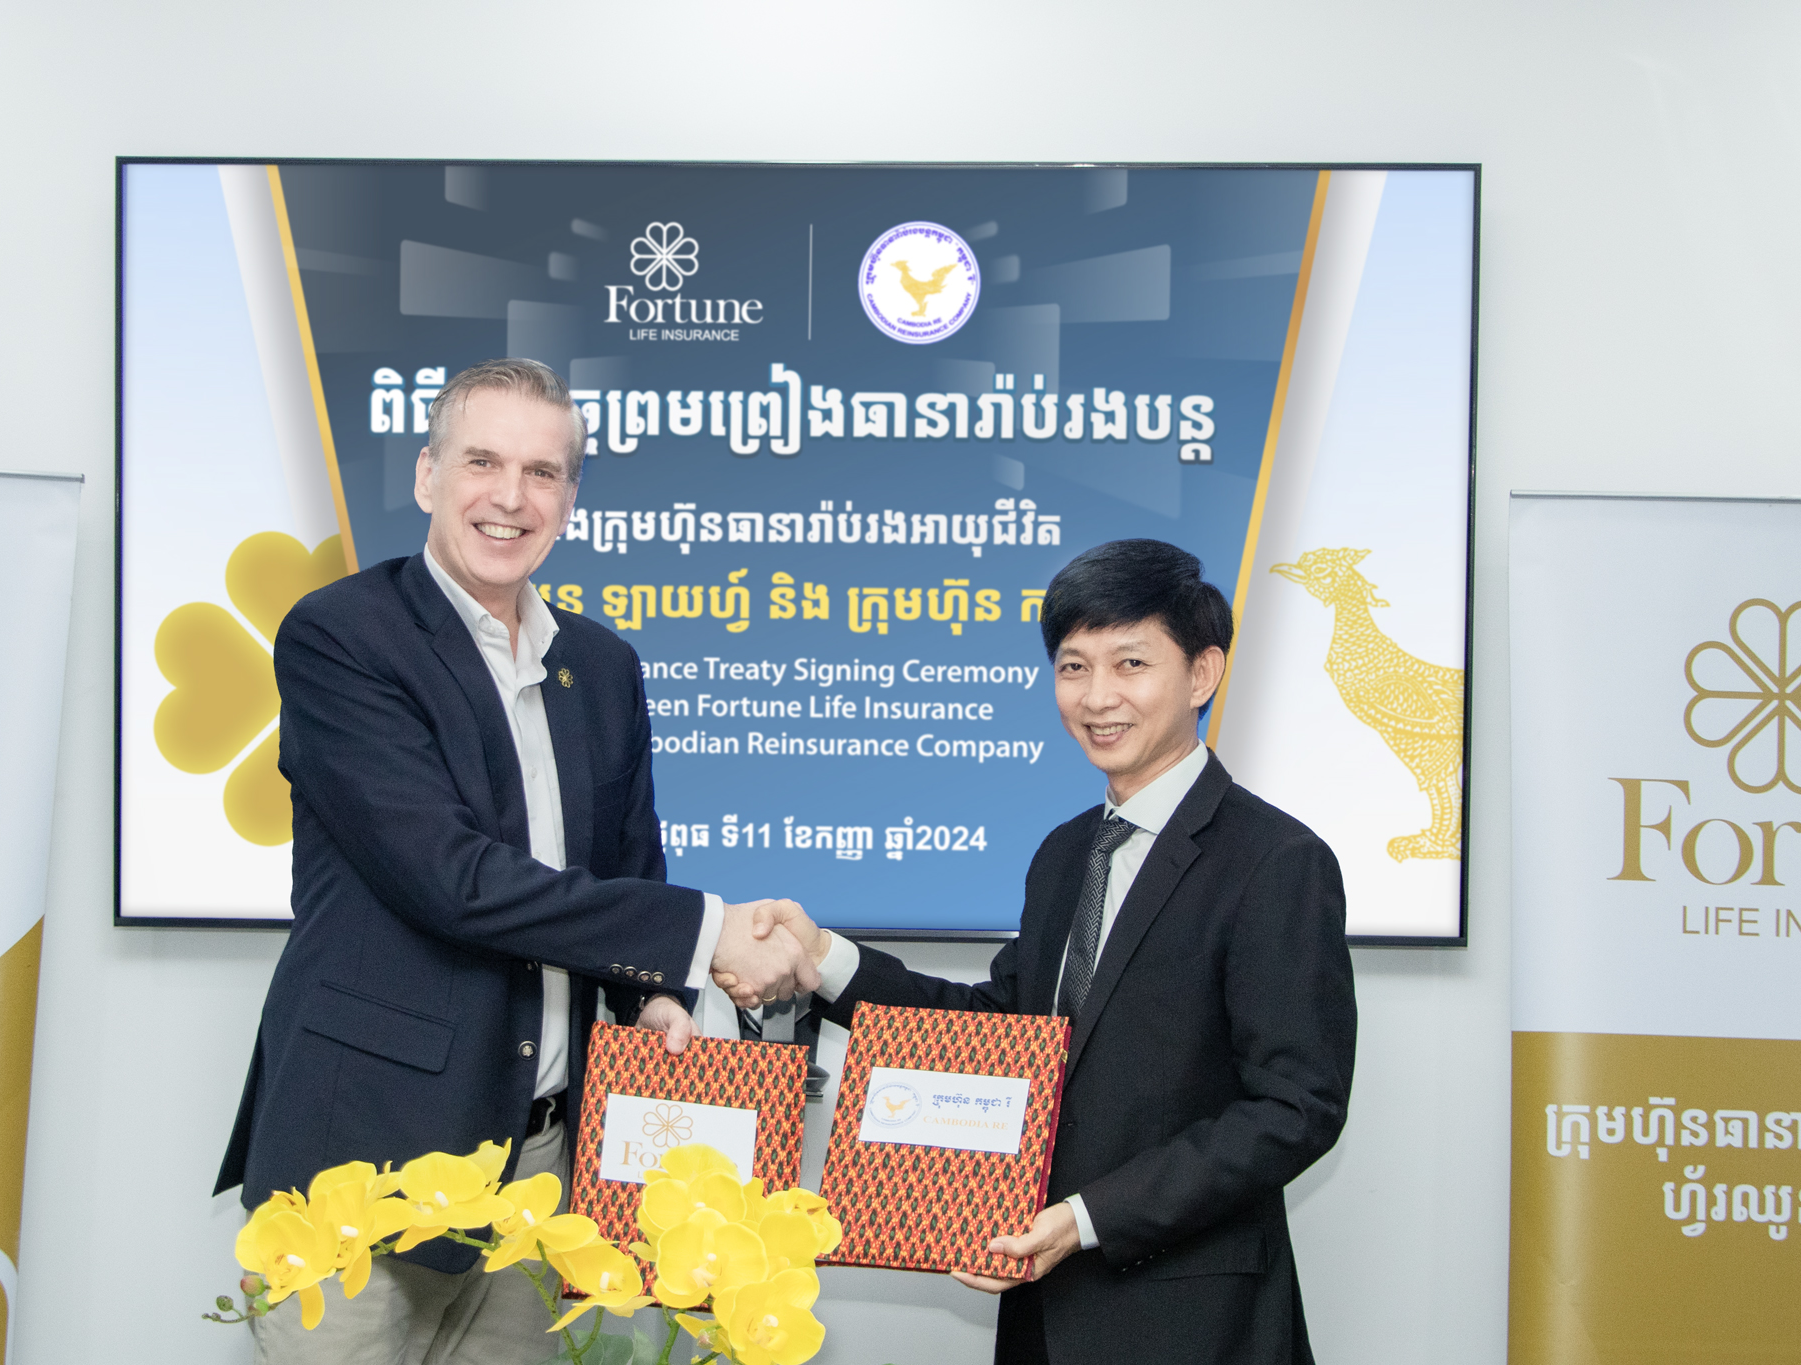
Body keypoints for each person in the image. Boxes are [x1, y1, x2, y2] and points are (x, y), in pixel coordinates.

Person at [214, 357, 812, 1364]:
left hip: (540, 1168)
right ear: (426, 476)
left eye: (542, 472)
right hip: (364, 1159)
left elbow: (627, 872)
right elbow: (451, 880)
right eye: (482, 461)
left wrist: (651, 996)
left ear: (569, 499)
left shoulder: (603, 666)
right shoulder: (343, 637)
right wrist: (706, 936)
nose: (510, 496)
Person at [733, 539, 1357, 1365]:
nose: (1097, 696)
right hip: (1043, 1318)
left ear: (1202, 674)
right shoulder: (1066, 854)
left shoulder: (1277, 860)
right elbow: (1001, 1033)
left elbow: (1295, 1107)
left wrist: (1086, 1218)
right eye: (1073, 667)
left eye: (1130, 663)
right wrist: (825, 959)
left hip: (1195, 1321)